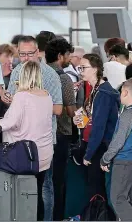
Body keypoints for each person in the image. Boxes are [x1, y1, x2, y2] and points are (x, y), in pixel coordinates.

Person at [0, 61, 53, 221]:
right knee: (36, 192)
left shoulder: (21, 96)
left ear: (22, 75)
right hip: (43, 154)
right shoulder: (46, 95)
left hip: (24, 155)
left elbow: (10, 122)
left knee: (16, 192)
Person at [5, 35, 63, 221]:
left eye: (31, 53)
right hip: (19, 140)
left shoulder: (50, 75)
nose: (27, 58)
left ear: (38, 52)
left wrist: (34, 103)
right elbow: (14, 104)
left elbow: (59, 109)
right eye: (22, 54)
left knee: (45, 187)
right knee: (21, 186)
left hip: (42, 142)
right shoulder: (16, 72)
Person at [100, 79, 132, 221]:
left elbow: (118, 140)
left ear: (125, 92)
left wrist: (105, 158)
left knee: (118, 199)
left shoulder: (128, 115)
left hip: (124, 159)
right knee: (129, 197)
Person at [73, 53, 120, 200]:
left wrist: (89, 154)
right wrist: (80, 120)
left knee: (97, 189)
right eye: (79, 67)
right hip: (95, 144)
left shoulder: (104, 93)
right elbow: (91, 119)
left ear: (95, 69)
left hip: (100, 147)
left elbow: (99, 127)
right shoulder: (95, 90)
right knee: (94, 187)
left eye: (83, 67)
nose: (80, 71)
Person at [45, 38, 76, 221]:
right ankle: (57, 217)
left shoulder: (40, 74)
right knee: (58, 181)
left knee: (44, 182)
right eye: (68, 55)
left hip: (42, 134)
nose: (69, 59)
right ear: (60, 56)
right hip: (62, 134)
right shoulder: (64, 78)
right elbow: (71, 111)